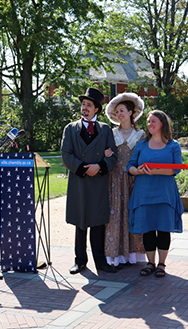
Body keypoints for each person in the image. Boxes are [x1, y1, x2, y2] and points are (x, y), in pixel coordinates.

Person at [61, 87, 118, 274]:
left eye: (88, 105)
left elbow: (113, 156)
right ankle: (79, 261)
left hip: (98, 182)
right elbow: (66, 154)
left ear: (96, 110)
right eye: (83, 104)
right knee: (80, 222)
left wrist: (99, 166)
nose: (84, 108)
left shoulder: (105, 130)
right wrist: (83, 169)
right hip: (78, 181)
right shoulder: (70, 129)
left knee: (98, 223)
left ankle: (100, 262)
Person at [127, 110, 184, 278]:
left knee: (163, 229)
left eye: (154, 121)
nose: (150, 124)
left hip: (165, 194)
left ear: (162, 124)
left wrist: (157, 171)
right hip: (143, 194)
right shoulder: (141, 144)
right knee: (148, 229)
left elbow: (177, 168)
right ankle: (150, 263)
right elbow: (130, 166)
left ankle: (162, 264)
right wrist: (137, 171)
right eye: (149, 121)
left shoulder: (173, 145)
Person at [102, 92, 147, 270]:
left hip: (133, 181)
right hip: (114, 181)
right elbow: (102, 154)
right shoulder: (111, 134)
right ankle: (115, 256)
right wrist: (105, 154)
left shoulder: (141, 135)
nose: (119, 114)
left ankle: (133, 255)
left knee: (133, 216)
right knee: (114, 217)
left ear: (131, 112)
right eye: (117, 112)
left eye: (122, 111)